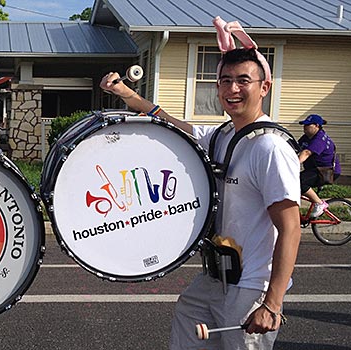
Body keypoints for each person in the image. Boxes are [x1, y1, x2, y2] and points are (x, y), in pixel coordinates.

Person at [100, 17, 301, 350]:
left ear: (264, 87)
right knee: (188, 318)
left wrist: (272, 303)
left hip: (252, 284)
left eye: (243, 81)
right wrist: (124, 93)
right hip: (217, 276)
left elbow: (291, 227)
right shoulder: (222, 136)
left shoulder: (269, 147)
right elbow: (168, 122)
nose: (232, 89)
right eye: (225, 81)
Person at [297, 114, 341, 217]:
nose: (304, 127)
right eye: (304, 125)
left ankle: (320, 203)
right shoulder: (307, 137)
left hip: (327, 172)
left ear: (317, 126)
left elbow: (306, 152)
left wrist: (293, 164)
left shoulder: (319, 139)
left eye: (308, 125)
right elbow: (296, 148)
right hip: (316, 170)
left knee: (299, 182)